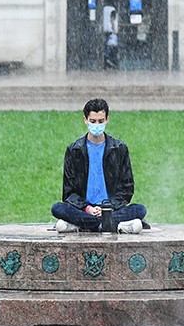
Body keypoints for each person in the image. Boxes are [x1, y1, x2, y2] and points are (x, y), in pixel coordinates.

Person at [51, 98, 148, 234]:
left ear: (107, 119)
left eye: (101, 121)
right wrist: (88, 208)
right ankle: (110, 225)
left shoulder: (119, 149)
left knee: (140, 209)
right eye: (93, 121)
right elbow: (69, 193)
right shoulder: (74, 150)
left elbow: (126, 189)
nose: (97, 125)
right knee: (57, 208)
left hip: (111, 208)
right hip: (84, 209)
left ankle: (82, 225)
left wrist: (107, 208)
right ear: (85, 119)